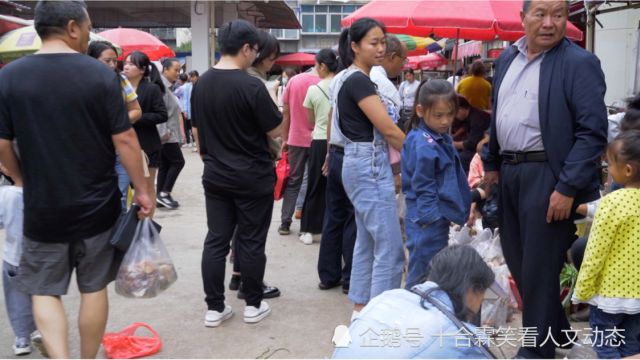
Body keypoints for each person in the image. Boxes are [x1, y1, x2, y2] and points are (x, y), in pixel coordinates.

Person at [0, 2, 154, 357]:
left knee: (43, 289)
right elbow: (126, 140)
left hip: (42, 209)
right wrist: (143, 191)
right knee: (93, 288)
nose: (88, 34)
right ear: (72, 27)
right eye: (88, 27)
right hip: (97, 207)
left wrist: (21, 177)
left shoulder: (9, 76)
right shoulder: (100, 75)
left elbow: (3, 143)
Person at [482, 1, 608, 357]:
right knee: (519, 261)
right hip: (510, 173)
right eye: (540, 14)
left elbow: (592, 133)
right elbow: (498, 115)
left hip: (548, 175)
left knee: (538, 268)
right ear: (523, 18)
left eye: (558, 15)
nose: (549, 23)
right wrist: (491, 163)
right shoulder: (507, 59)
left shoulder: (578, 63)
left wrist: (567, 186)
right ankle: (561, 332)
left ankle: (537, 349)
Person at [192, 19, 282, 327]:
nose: (255, 56)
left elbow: (197, 133)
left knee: (216, 240)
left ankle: (214, 308)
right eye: (254, 50)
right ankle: (253, 305)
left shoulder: (201, 83)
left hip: (216, 174)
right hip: (253, 176)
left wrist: (209, 159)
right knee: (252, 240)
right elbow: (275, 127)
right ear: (245, 48)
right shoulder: (251, 85)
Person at [334, 18, 406, 317]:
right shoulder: (359, 80)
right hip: (369, 165)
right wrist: (425, 152)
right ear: (354, 46)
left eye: (382, 42)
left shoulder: (352, 78)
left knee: (367, 242)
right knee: (390, 251)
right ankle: (379, 321)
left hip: (360, 163)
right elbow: (388, 130)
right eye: (373, 43)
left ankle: (361, 310)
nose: (380, 48)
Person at [332, 245, 495, 359]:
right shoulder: (464, 339)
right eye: (483, 294)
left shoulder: (389, 296)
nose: (480, 305)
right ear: (472, 289)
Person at [572, 130, 640, 358]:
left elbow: (595, 253)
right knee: (630, 344)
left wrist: (582, 290)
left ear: (627, 170)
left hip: (610, 294)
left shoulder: (612, 203)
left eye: (610, 164)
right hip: (638, 297)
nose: (608, 169)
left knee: (604, 345)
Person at [401, 80, 471, 289]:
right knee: (423, 273)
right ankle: (412, 314)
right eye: (438, 115)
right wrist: (429, 218)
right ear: (420, 111)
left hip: (433, 216)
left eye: (449, 115)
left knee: (431, 270)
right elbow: (423, 184)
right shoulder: (424, 142)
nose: (445, 121)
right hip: (427, 218)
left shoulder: (437, 137)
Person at [228, 30, 281, 300]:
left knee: (235, 228)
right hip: (253, 166)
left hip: (224, 167)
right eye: (271, 59)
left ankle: (237, 277)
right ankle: (252, 288)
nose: (273, 64)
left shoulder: (227, 80)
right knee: (253, 232)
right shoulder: (255, 84)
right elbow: (272, 130)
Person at [88, 40, 142, 210]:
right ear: (91, 59)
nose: (112, 65)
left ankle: (117, 236)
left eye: (114, 60)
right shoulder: (81, 81)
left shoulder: (121, 80)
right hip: (91, 151)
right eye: (107, 60)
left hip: (119, 150)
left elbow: (136, 110)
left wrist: (116, 120)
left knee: (120, 196)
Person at [0, 160, 43, 356]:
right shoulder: (42, 192)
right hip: (41, 254)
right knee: (43, 294)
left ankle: (21, 339)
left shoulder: (5, 194)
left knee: (16, 298)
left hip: (13, 256)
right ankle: (43, 329)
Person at [299, 49, 338, 245]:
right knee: (334, 188)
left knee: (314, 184)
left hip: (320, 140)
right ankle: (328, 228)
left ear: (323, 66)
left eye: (316, 65)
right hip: (338, 143)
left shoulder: (314, 89)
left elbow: (311, 119)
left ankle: (307, 229)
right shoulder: (341, 85)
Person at [277, 64, 320, 236]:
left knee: (294, 181)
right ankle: (308, 226)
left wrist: (284, 138)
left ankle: (285, 222)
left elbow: (286, 113)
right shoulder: (324, 82)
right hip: (318, 139)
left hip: (295, 138)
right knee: (314, 182)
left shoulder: (294, 81)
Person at [123, 51, 168, 208]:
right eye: (125, 63)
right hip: (123, 144)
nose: (126, 67)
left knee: (147, 188)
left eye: (131, 64)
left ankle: (146, 227)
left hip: (147, 145)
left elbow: (162, 115)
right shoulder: (118, 86)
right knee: (125, 187)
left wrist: (136, 117)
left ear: (142, 69)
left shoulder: (151, 89)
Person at [156, 58, 186, 209]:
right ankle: (164, 193)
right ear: (165, 69)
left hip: (169, 133)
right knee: (178, 162)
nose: (178, 73)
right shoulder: (161, 87)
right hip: (166, 135)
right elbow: (160, 111)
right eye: (175, 70)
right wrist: (164, 133)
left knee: (165, 164)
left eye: (179, 70)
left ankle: (160, 195)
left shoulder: (168, 87)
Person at [452, 95, 491, 174]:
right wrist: (454, 137)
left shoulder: (477, 118)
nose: (455, 117)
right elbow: (465, 127)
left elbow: (472, 143)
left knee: (459, 158)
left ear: (461, 109)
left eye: (455, 113)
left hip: (483, 149)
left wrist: (453, 144)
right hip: (475, 144)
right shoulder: (471, 114)